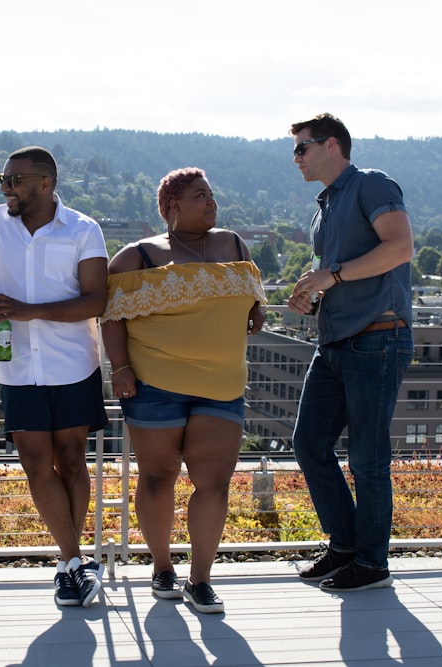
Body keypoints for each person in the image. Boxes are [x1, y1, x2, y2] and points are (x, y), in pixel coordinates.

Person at [101, 167, 267, 614]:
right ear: (172, 206)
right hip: (156, 385)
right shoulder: (136, 257)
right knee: (159, 477)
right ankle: (161, 568)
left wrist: (255, 310)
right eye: (200, 196)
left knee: (214, 483)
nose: (212, 202)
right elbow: (111, 317)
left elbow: (251, 293)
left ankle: (201, 579)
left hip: (222, 385)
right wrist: (120, 368)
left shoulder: (233, 244)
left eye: (211, 194)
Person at [286, 113, 415, 592]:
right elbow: (336, 272)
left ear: (332, 145)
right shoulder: (325, 206)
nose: (295, 157)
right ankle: (344, 546)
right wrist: (313, 291)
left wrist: (332, 275)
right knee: (309, 444)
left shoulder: (372, 184)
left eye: (302, 147)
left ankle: (372, 563)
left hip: (378, 337)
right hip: (336, 339)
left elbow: (399, 248)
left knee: (367, 457)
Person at [0, 146, 110, 608]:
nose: (5, 188)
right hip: (16, 365)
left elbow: (96, 300)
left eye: (14, 180)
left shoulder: (83, 230)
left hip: (72, 363)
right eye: (3, 180)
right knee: (35, 464)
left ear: (44, 184)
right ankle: (76, 561)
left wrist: (30, 312)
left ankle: (64, 567)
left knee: (72, 460)